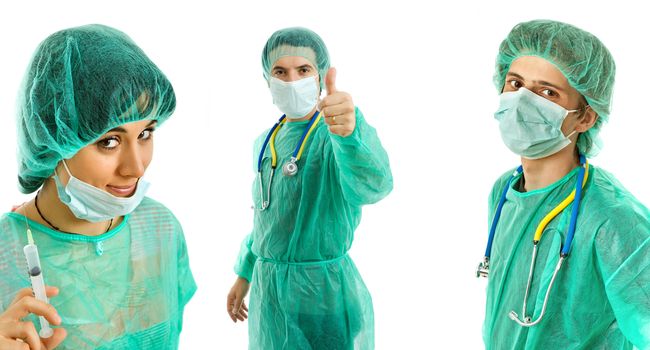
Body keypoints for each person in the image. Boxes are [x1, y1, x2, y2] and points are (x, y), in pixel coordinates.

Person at [0, 24, 196, 349]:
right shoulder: (5, 252)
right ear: (52, 138)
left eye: (145, 134)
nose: (136, 167)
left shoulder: (160, 228)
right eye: (109, 141)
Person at [479, 20, 650, 349]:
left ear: (586, 117)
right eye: (515, 83)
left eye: (547, 92)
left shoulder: (610, 217)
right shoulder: (505, 193)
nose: (523, 101)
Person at [226, 27, 393, 349]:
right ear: (267, 78)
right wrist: (245, 272)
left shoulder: (335, 134)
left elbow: (374, 186)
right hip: (269, 292)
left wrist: (350, 133)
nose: (291, 80)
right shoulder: (265, 142)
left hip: (323, 295)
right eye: (280, 71)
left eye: (303, 70)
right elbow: (269, 219)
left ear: (319, 77)